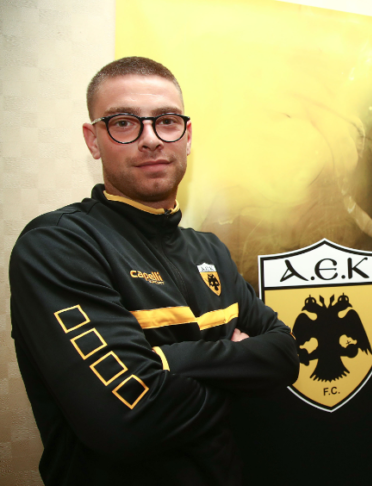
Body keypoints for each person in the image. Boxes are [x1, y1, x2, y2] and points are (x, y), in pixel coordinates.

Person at [8, 57, 300, 486]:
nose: (150, 139)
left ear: (187, 136)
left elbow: (285, 355)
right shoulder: (58, 245)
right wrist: (242, 372)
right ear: (93, 140)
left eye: (166, 121)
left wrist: (167, 360)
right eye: (124, 123)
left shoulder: (210, 249)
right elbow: (127, 420)